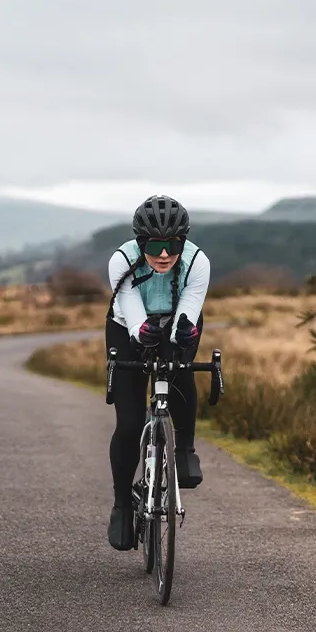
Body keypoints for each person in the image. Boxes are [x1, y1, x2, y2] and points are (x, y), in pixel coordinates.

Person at [104, 194, 211, 552]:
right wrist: (142, 331)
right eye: (154, 245)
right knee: (131, 423)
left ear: (183, 242)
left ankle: (184, 448)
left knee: (180, 372)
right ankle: (122, 506)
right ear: (140, 242)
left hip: (177, 320)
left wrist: (183, 332)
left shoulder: (197, 261)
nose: (164, 254)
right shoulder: (121, 260)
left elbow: (190, 307)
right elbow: (131, 309)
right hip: (127, 325)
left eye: (172, 245)